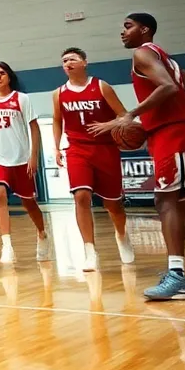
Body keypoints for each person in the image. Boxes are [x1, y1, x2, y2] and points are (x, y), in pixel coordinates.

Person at [88, 13, 185, 299]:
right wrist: (166, 119)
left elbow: (168, 88)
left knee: (165, 199)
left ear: (145, 30)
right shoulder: (167, 59)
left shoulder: (142, 53)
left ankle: (177, 276)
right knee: (184, 203)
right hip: (169, 132)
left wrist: (133, 115)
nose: (123, 32)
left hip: (173, 136)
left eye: (128, 26)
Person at [53, 47, 135, 272]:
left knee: (113, 204)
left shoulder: (101, 86)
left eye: (72, 59)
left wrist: (107, 126)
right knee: (81, 196)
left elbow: (124, 115)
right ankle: (89, 251)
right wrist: (57, 147)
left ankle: (121, 235)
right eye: (64, 61)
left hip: (105, 149)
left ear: (84, 62)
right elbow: (58, 120)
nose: (67, 63)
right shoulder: (59, 93)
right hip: (77, 149)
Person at [0, 62, 48, 264]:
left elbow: (34, 128)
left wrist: (33, 156)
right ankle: (7, 245)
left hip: (20, 158)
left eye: (1, 73)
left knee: (29, 202)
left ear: (9, 76)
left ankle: (42, 234)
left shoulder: (22, 99)